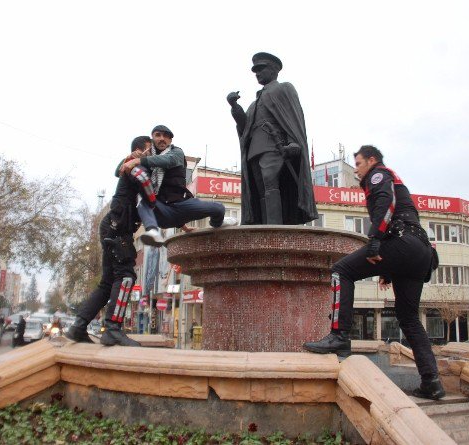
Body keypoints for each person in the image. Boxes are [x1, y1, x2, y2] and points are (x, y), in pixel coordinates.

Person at [303, 145, 444, 400]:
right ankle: (431, 381)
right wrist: (388, 269)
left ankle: (339, 336)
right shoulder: (390, 177)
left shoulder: (379, 174)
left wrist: (375, 239)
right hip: (420, 251)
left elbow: (386, 203)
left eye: (358, 164)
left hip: (401, 241)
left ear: (371, 160)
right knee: (409, 318)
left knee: (340, 271)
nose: (356, 169)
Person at [66, 136, 158, 347]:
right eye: (148, 150)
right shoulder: (135, 168)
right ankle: (113, 329)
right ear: (138, 151)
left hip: (113, 227)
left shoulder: (128, 166)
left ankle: (78, 326)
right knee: (125, 276)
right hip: (118, 230)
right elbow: (149, 193)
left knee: (107, 283)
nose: (151, 154)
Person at [227, 52, 317, 225]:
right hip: (254, 150)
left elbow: (293, 117)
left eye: (261, 69)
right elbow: (245, 126)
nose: (257, 73)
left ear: (274, 70)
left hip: (274, 146)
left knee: (271, 185)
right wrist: (235, 107)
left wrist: (293, 141)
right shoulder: (254, 103)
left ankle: (274, 226)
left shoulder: (284, 88)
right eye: (255, 71)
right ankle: (264, 224)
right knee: (261, 190)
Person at [121, 125, 237, 247]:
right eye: (158, 135)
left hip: (182, 205)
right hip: (160, 210)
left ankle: (217, 223)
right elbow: (119, 172)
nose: (162, 139)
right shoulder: (146, 157)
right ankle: (152, 231)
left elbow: (167, 160)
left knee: (219, 208)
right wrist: (129, 158)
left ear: (170, 140)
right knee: (142, 196)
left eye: (166, 136)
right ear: (152, 139)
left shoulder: (176, 152)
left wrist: (183, 226)